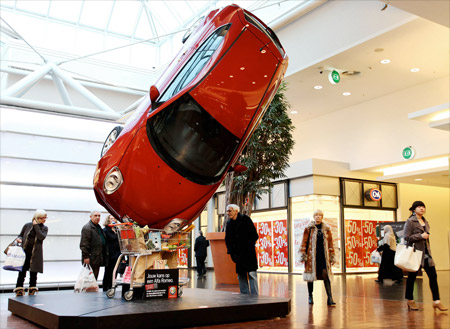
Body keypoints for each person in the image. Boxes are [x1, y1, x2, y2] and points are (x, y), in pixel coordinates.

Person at [404, 201, 447, 311]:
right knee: (412, 278)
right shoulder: (410, 221)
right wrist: (420, 236)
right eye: (419, 207)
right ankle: (410, 300)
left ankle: (436, 301)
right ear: (414, 209)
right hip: (415, 254)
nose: (422, 208)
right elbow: (406, 237)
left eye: (423, 206)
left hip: (427, 254)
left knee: (433, 276)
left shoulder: (425, 221)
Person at [299, 209, 336, 306]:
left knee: (326, 275)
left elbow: (331, 243)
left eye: (319, 215)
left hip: (323, 256)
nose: (318, 217)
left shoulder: (326, 229)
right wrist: (303, 254)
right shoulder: (309, 229)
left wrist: (332, 255)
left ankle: (330, 298)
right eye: (316, 215)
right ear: (313, 217)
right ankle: (310, 296)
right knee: (310, 277)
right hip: (311, 257)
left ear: (322, 217)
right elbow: (304, 242)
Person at [13, 209, 48, 297]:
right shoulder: (27, 225)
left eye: (45, 218)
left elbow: (41, 237)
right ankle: (19, 289)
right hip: (24, 253)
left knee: (33, 273)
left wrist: (36, 226)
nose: (44, 219)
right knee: (22, 272)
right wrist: (19, 239)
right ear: (37, 218)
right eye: (42, 218)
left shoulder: (44, 228)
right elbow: (20, 235)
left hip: (35, 254)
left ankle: (32, 290)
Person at [225, 204, 259, 295]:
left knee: (252, 274)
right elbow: (227, 240)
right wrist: (231, 252)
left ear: (236, 211)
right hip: (238, 255)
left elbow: (254, 235)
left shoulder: (245, 219)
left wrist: (249, 246)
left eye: (230, 210)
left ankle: (255, 296)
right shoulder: (229, 224)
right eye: (227, 211)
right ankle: (244, 296)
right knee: (241, 275)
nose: (228, 213)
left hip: (248, 253)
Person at [80, 210, 108, 280]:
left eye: (99, 216)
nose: (97, 217)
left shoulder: (98, 227)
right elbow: (84, 244)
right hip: (91, 257)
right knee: (89, 278)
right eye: (95, 216)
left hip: (97, 257)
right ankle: (89, 290)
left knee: (94, 277)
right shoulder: (87, 228)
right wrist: (86, 257)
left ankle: (92, 290)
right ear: (91, 217)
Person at [102, 214, 121, 291]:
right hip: (109, 254)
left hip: (117, 253)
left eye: (114, 218)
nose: (113, 220)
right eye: (111, 218)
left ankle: (112, 286)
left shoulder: (117, 229)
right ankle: (106, 287)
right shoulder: (105, 230)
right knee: (108, 271)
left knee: (115, 270)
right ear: (108, 220)